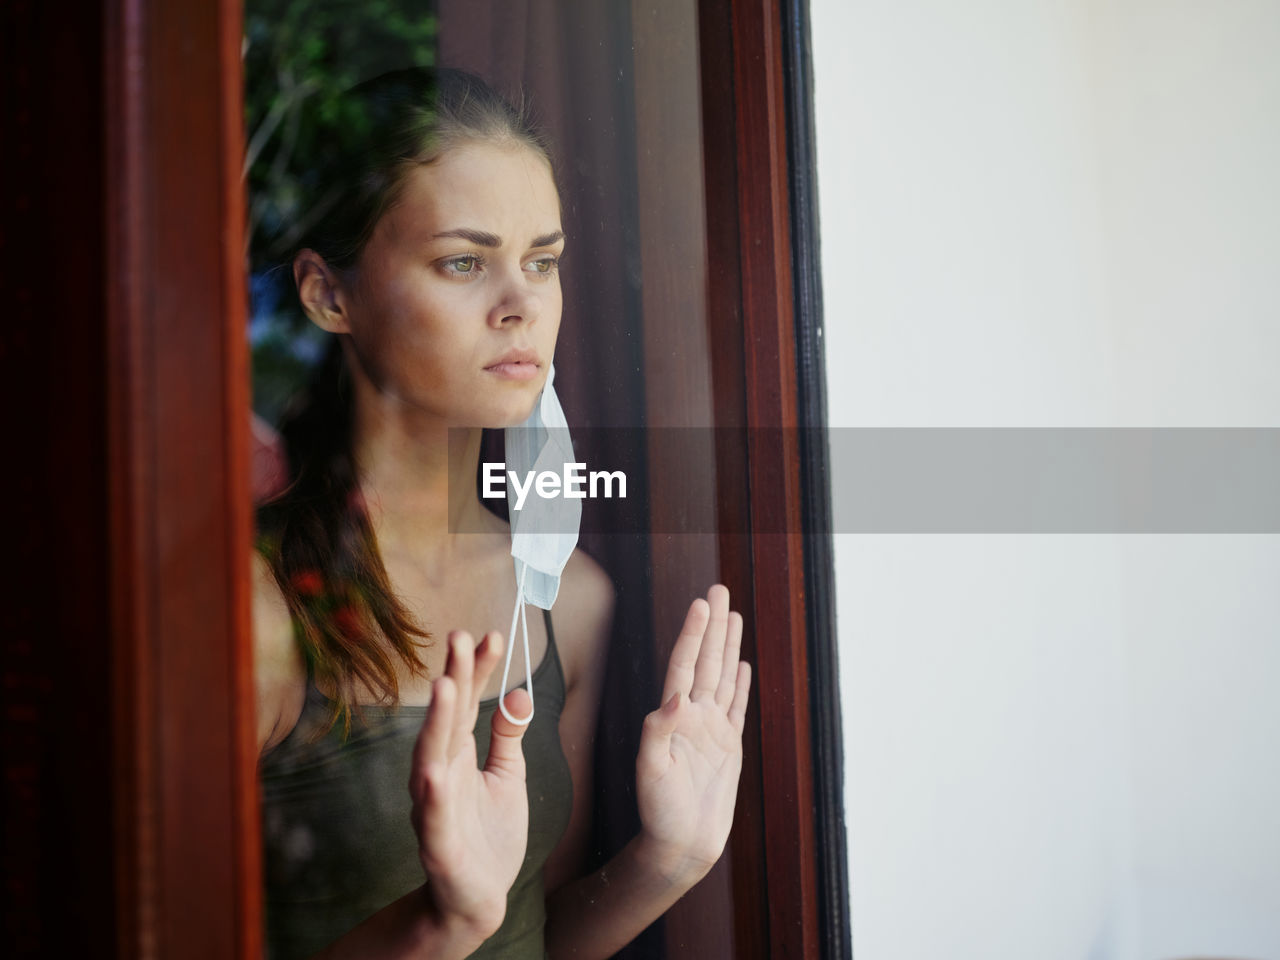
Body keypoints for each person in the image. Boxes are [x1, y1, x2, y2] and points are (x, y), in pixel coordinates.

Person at [252, 68, 752, 960]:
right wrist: (439, 924)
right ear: (330, 295)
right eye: (463, 261)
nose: (522, 304)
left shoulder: (565, 599)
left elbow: (538, 936)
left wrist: (667, 861)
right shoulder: (258, 610)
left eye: (543, 261)